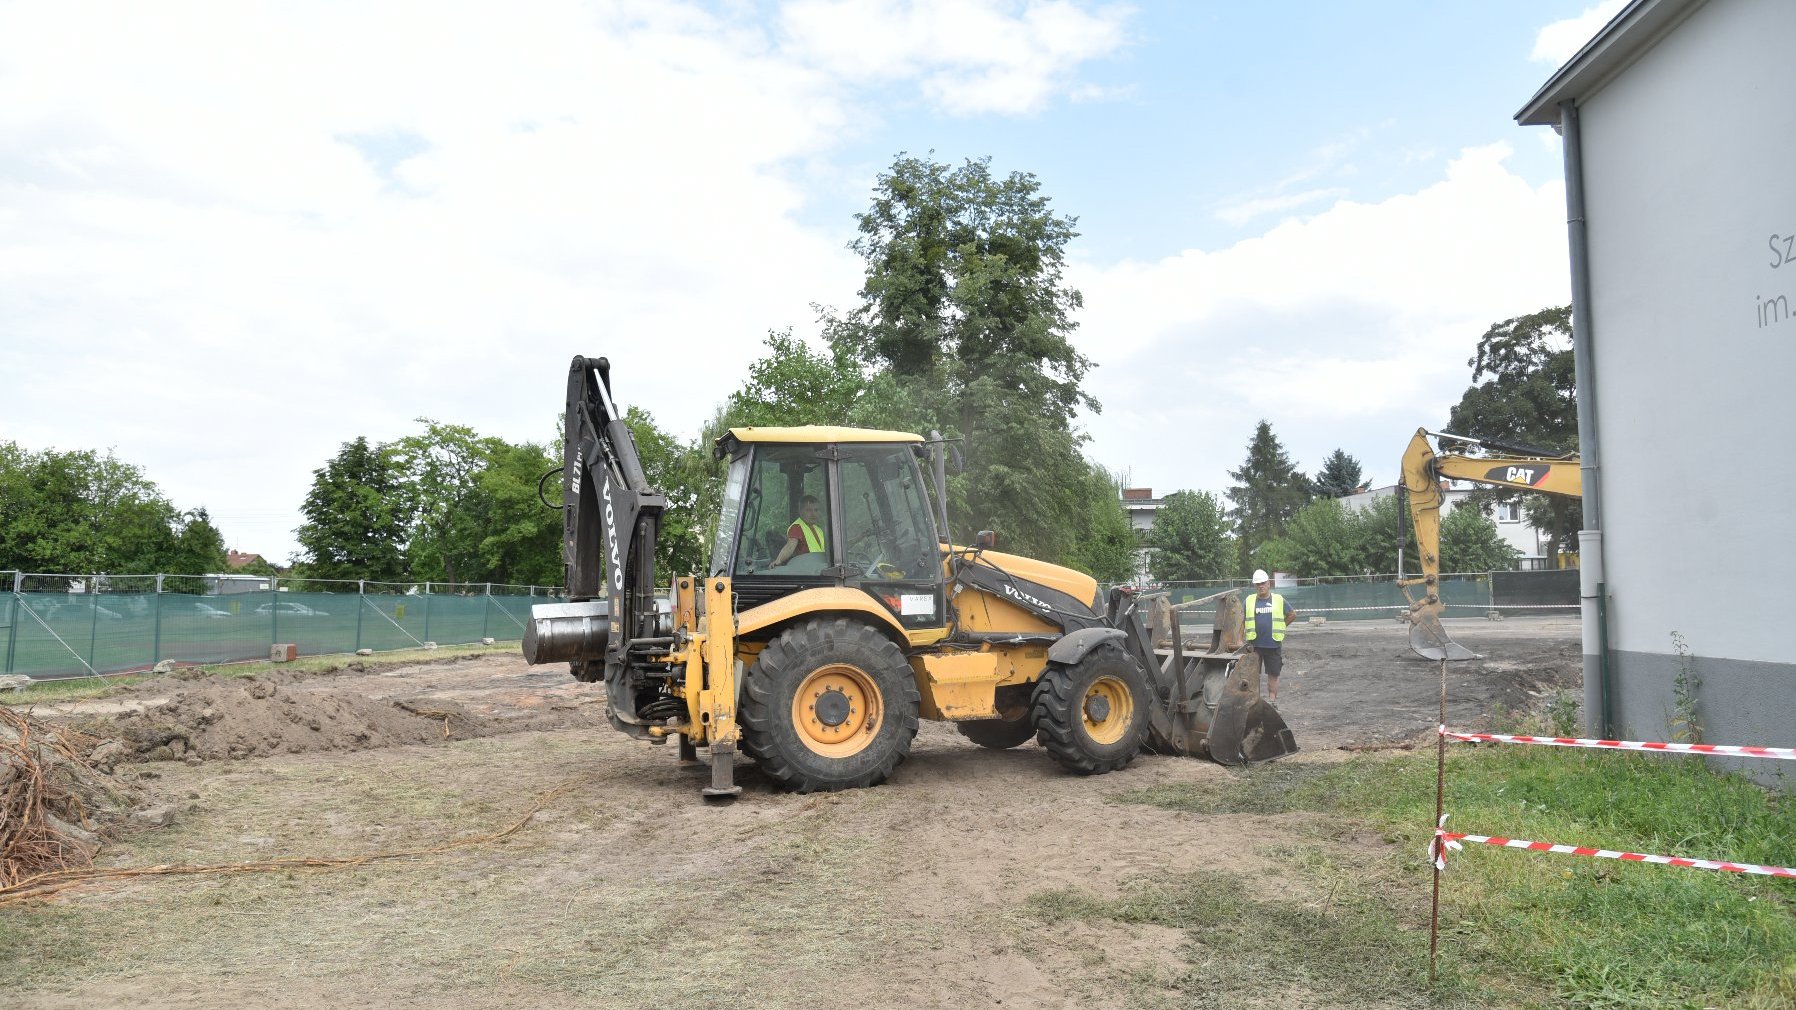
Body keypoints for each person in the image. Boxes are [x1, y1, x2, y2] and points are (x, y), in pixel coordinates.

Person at [1242, 569, 1296, 703]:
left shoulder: (1278, 599)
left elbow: (1292, 614)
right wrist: (1239, 639)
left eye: (1263, 583)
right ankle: (1254, 702)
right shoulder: (1249, 601)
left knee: (1273, 674)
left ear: (1268, 584)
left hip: (1273, 644)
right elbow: (1241, 619)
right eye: (1257, 584)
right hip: (1254, 645)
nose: (1260, 586)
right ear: (1255, 586)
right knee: (1253, 675)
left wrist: (1282, 626)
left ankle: (1272, 702)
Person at [773, 495, 826, 567]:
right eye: (808, 510)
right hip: (805, 569)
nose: (813, 514)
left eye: (816, 510)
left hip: (819, 568)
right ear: (800, 512)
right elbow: (790, 546)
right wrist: (778, 560)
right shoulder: (797, 527)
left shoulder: (819, 530)